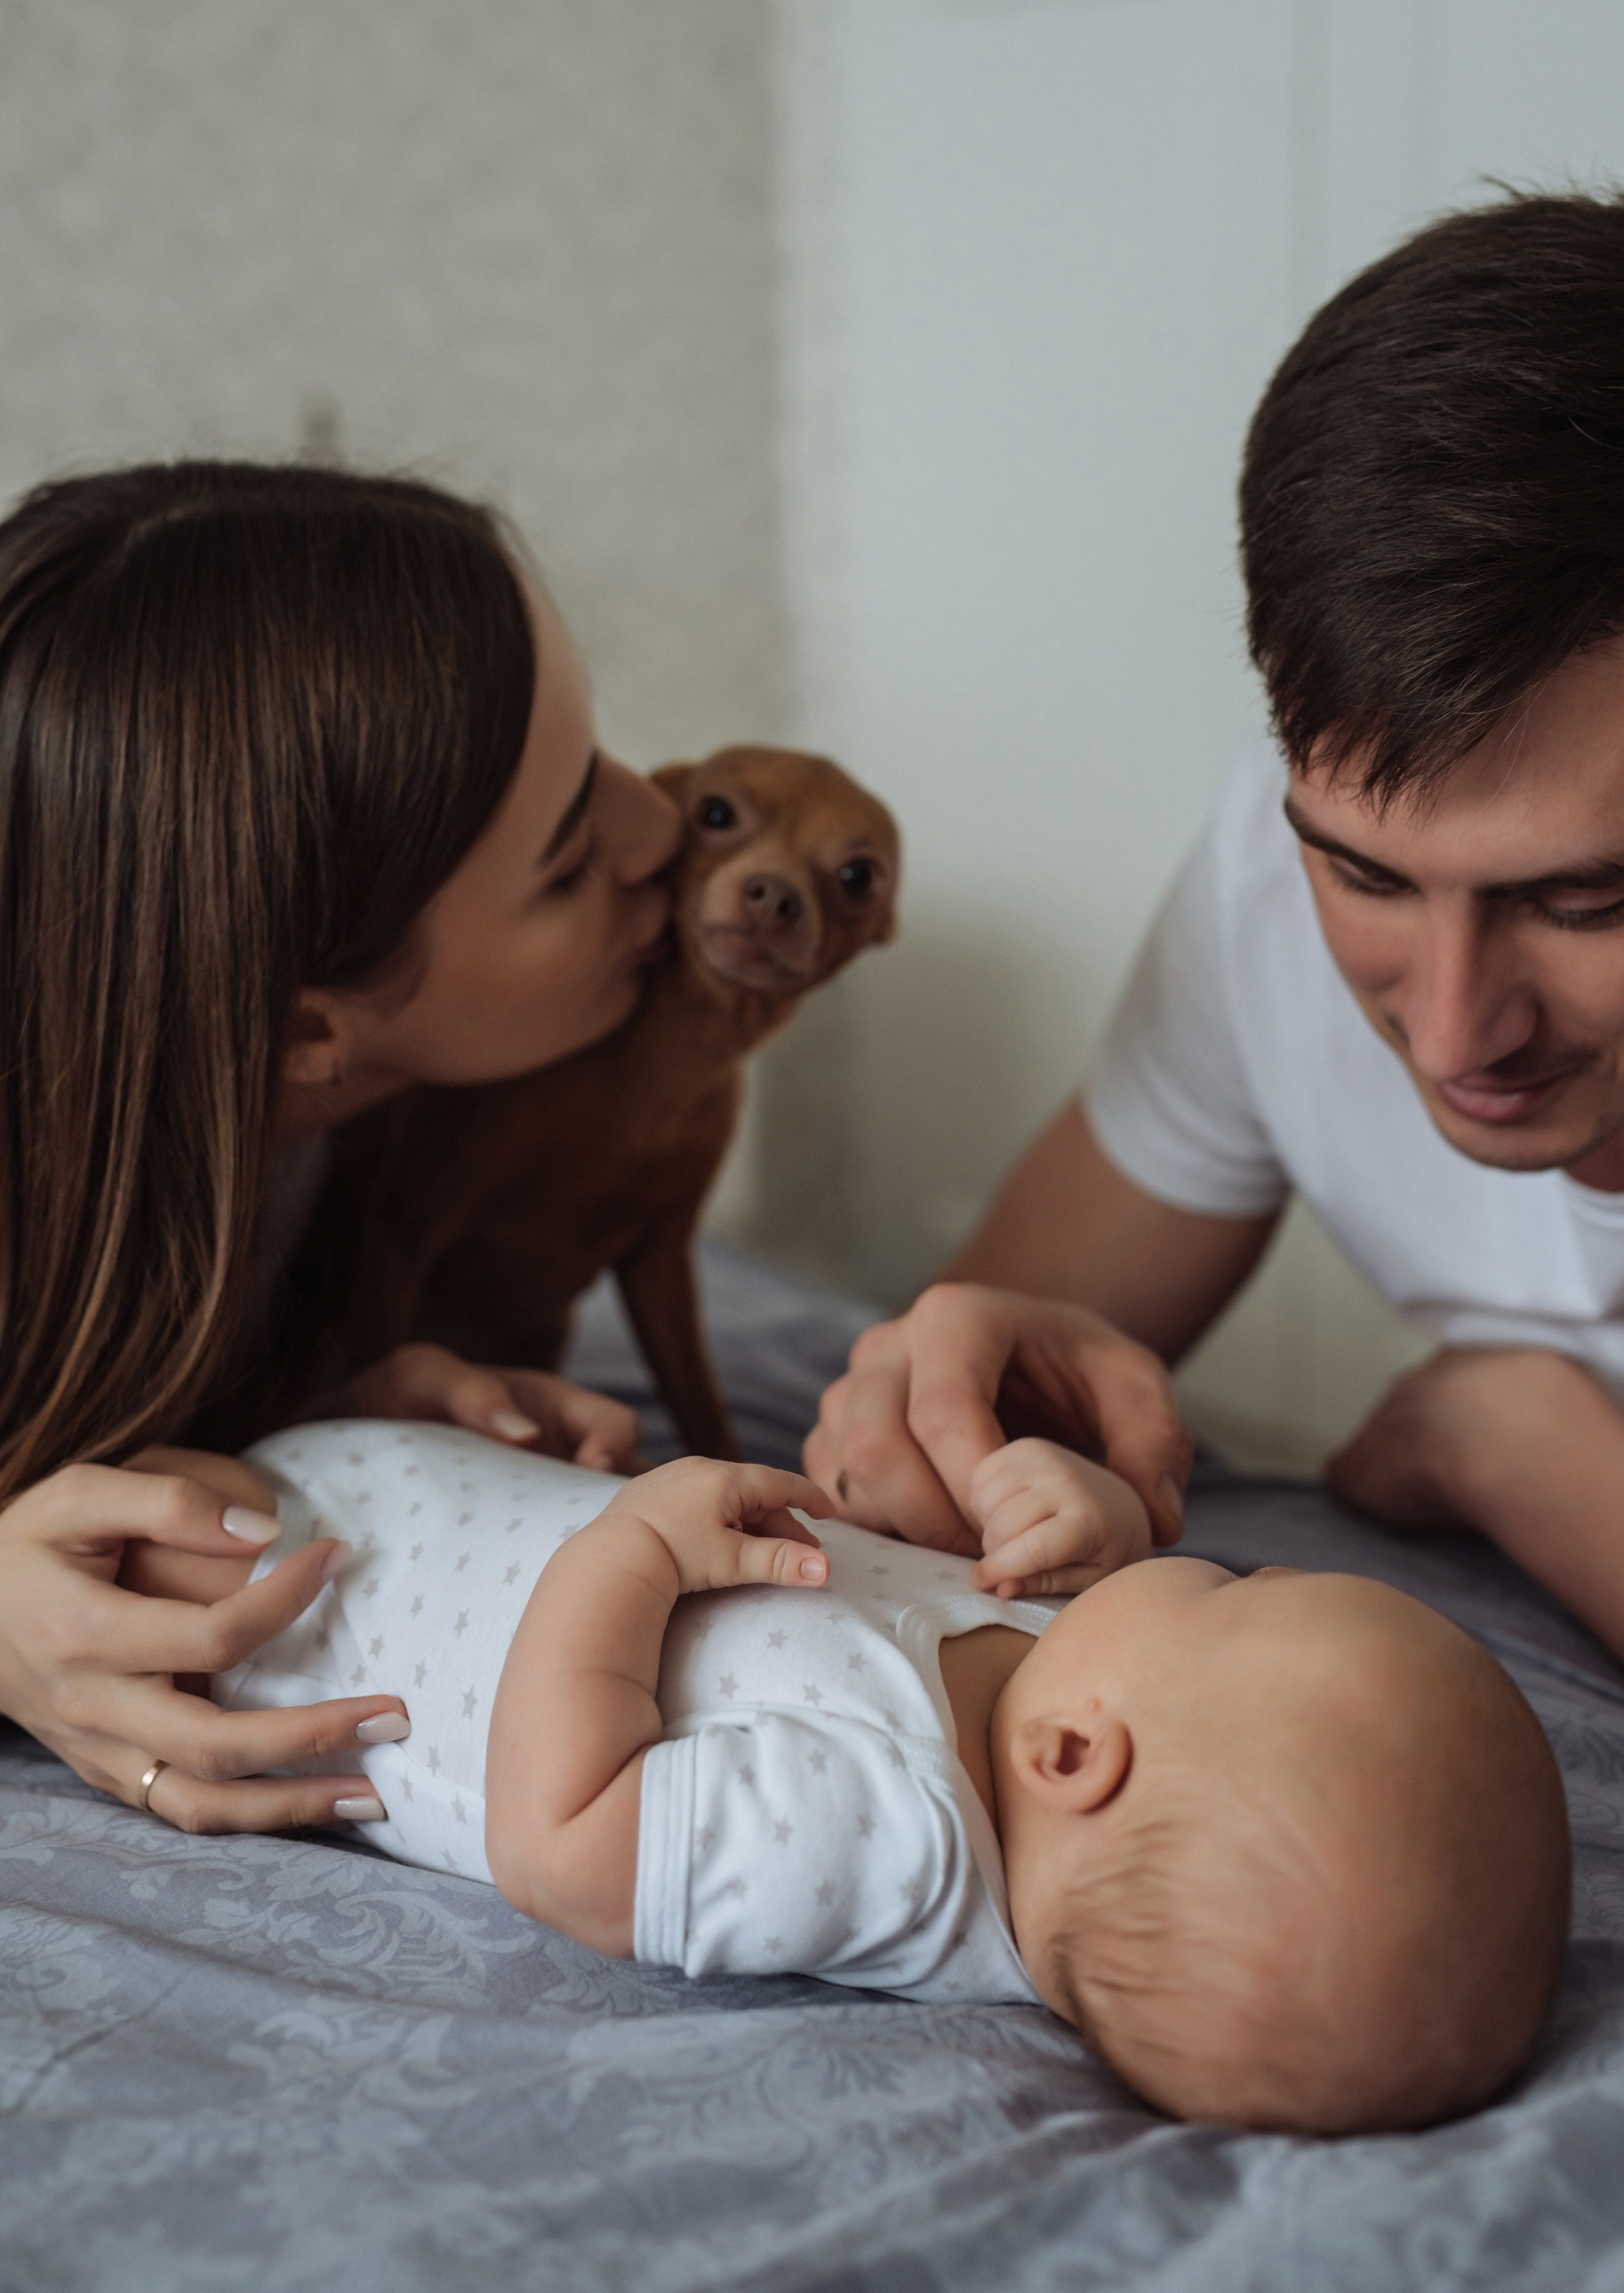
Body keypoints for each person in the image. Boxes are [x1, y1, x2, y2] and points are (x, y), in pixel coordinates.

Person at [808, 189, 1624, 1664]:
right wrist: (943, 1409)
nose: (1450, 1031)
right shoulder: (1270, 849)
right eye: (1365, 878)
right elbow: (1014, 1353)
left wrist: (1510, 1441)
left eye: (1584, 901)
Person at [123, 1420, 1569, 2133]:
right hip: (406, 1475)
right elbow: (877, 1568)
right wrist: (1081, 1517)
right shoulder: (1049, 1684)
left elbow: (561, 1846)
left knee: (111, 1507)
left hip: (303, 1617)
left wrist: (629, 1558)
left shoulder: (888, 1842)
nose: (1218, 1566)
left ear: (1078, 1759)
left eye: (1236, 1594)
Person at [0, 460, 678, 1831]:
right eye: (561, 860)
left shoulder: (385, 1128)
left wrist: (332, 1422)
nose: (658, 825)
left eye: (599, 752)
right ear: (305, 1028)